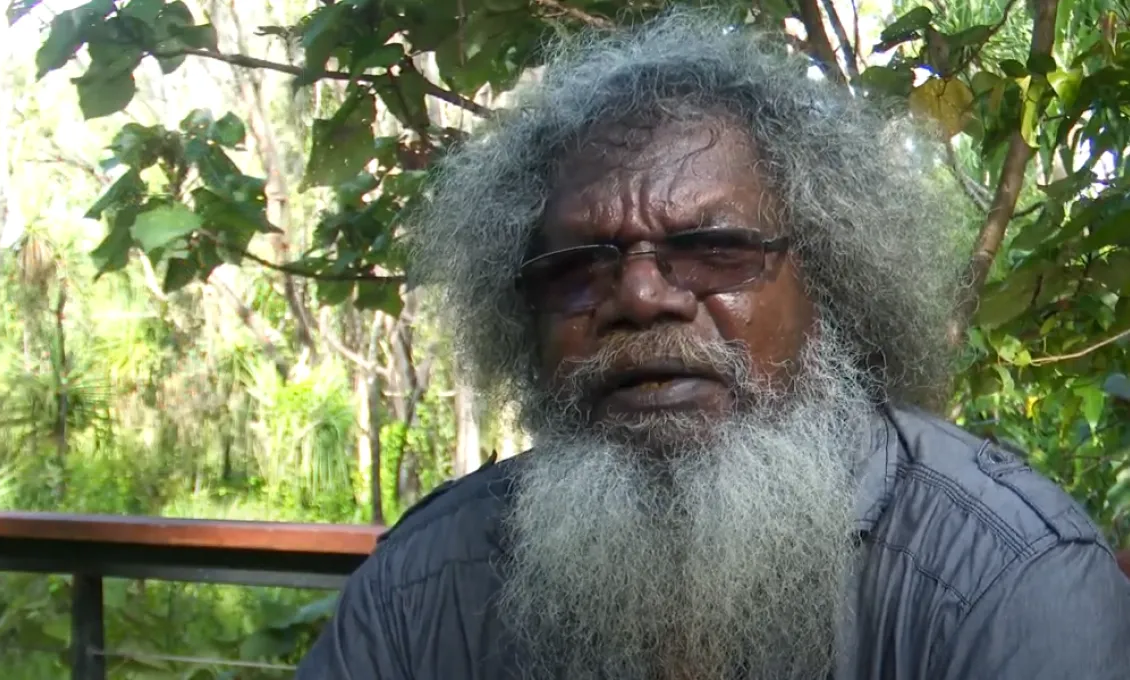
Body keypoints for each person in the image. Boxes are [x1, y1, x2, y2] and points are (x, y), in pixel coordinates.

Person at [296, 10, 1130, 680]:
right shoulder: (423, 586)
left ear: (829, 282)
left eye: (715, 250)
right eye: (578, 266)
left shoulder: (1003, 582)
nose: (641, 297)